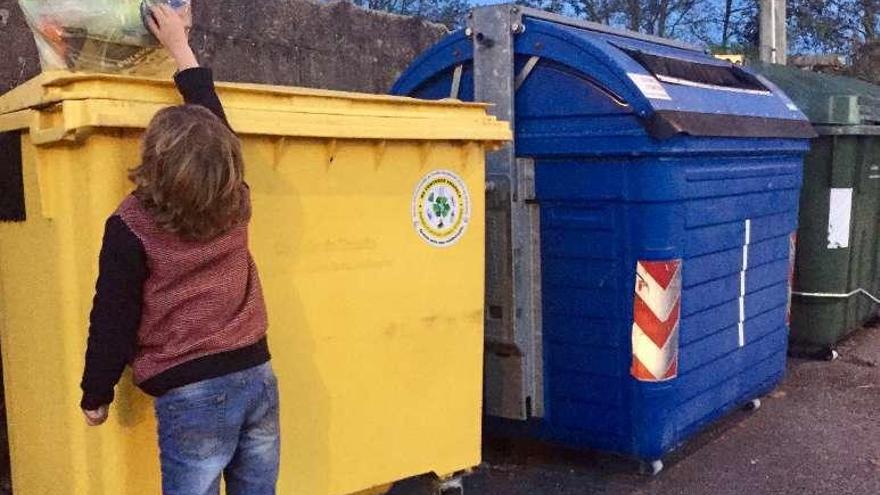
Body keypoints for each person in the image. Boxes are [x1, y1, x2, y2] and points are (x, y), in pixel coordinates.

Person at [78, 5, 279, 494]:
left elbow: (113, 315)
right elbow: (215, 126)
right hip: (256, 374)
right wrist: (180, 48)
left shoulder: (131, 226)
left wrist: (96, 392)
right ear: (228, 163)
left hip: (191, 392)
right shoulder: (237, 199)